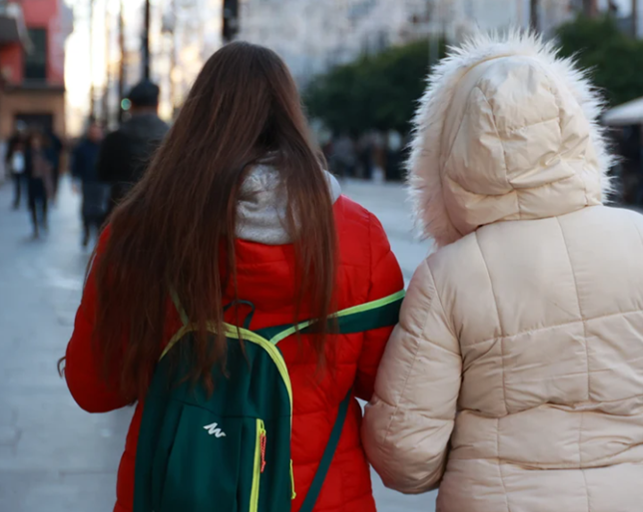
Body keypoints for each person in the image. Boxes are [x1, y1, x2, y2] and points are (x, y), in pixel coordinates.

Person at [362, 33, 643, 512]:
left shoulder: (447, 277)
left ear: (449, 151)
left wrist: (469, 462)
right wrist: (640, 446)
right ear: (576, 129)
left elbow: (405, 448)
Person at [62, 42, 403, 512]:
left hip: (176, 486)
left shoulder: (139, 229)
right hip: (318, 494)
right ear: (290, 115)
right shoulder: (359, 234)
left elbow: (94, 387)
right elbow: (378, 382)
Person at [96, 79, 169, 211]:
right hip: (161, 210)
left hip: (122, 209)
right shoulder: (171, 136)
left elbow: (102, 173)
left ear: (132, 106)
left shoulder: (115, 137)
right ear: (157, 104)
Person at [71, 122, 106, 247]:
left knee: (100, 208)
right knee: (87, 208)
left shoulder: (105, 147)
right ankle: (86, 231)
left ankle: (98, 233)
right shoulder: (82, 148)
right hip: (87, 181)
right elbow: (75, 165)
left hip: (102, 182)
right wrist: (74, 180)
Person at [25, 129, 57, 238]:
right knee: (32, 204)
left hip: (43, 181)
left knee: (43, 202)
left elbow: (53, 162)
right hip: (32, 181)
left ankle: (43, 220)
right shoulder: (28, 152)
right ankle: (35, 225)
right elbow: (25, 168)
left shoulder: (46, 151)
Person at [6, 124, 27, 209]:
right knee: (17, 184)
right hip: (16, 164)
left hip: (24, 165)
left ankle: (25, 200)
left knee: (24, 184)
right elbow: (9, 153)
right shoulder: (12, 140)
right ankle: (17, 200)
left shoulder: (26, 141)